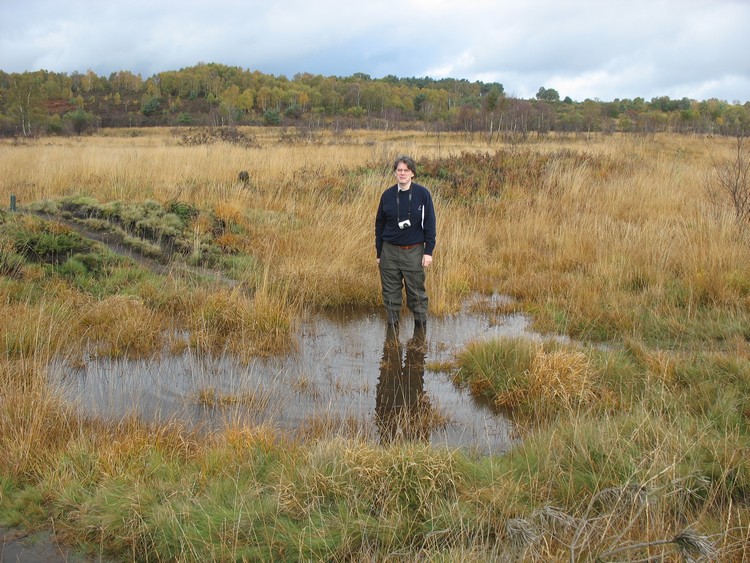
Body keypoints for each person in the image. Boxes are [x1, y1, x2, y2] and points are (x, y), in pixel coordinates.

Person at [375, 156, 436, 332]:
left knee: (416, 293)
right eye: (399, 170)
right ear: (395, 173)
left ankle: (420, 332)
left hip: (414, 251)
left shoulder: (422, 194)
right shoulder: (387, 195)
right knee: (390, 294)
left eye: (406, 170)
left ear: (412, 173)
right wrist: (379, 253)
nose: (402, 173)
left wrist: (428, 252)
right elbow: (379, 225)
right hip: (389, 252)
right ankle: (392, 334)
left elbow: (430, 224)